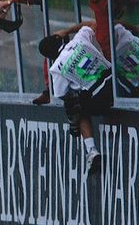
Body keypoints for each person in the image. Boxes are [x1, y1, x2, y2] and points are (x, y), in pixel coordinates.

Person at [39, 26, 113, 174]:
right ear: (58, 39)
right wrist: (66, 31)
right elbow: (91, 25)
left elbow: (60, 94)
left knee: (74, 106)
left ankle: (91, 150)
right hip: (115, 84)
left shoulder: (56, 68)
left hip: (100, 98)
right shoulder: (79, 39)